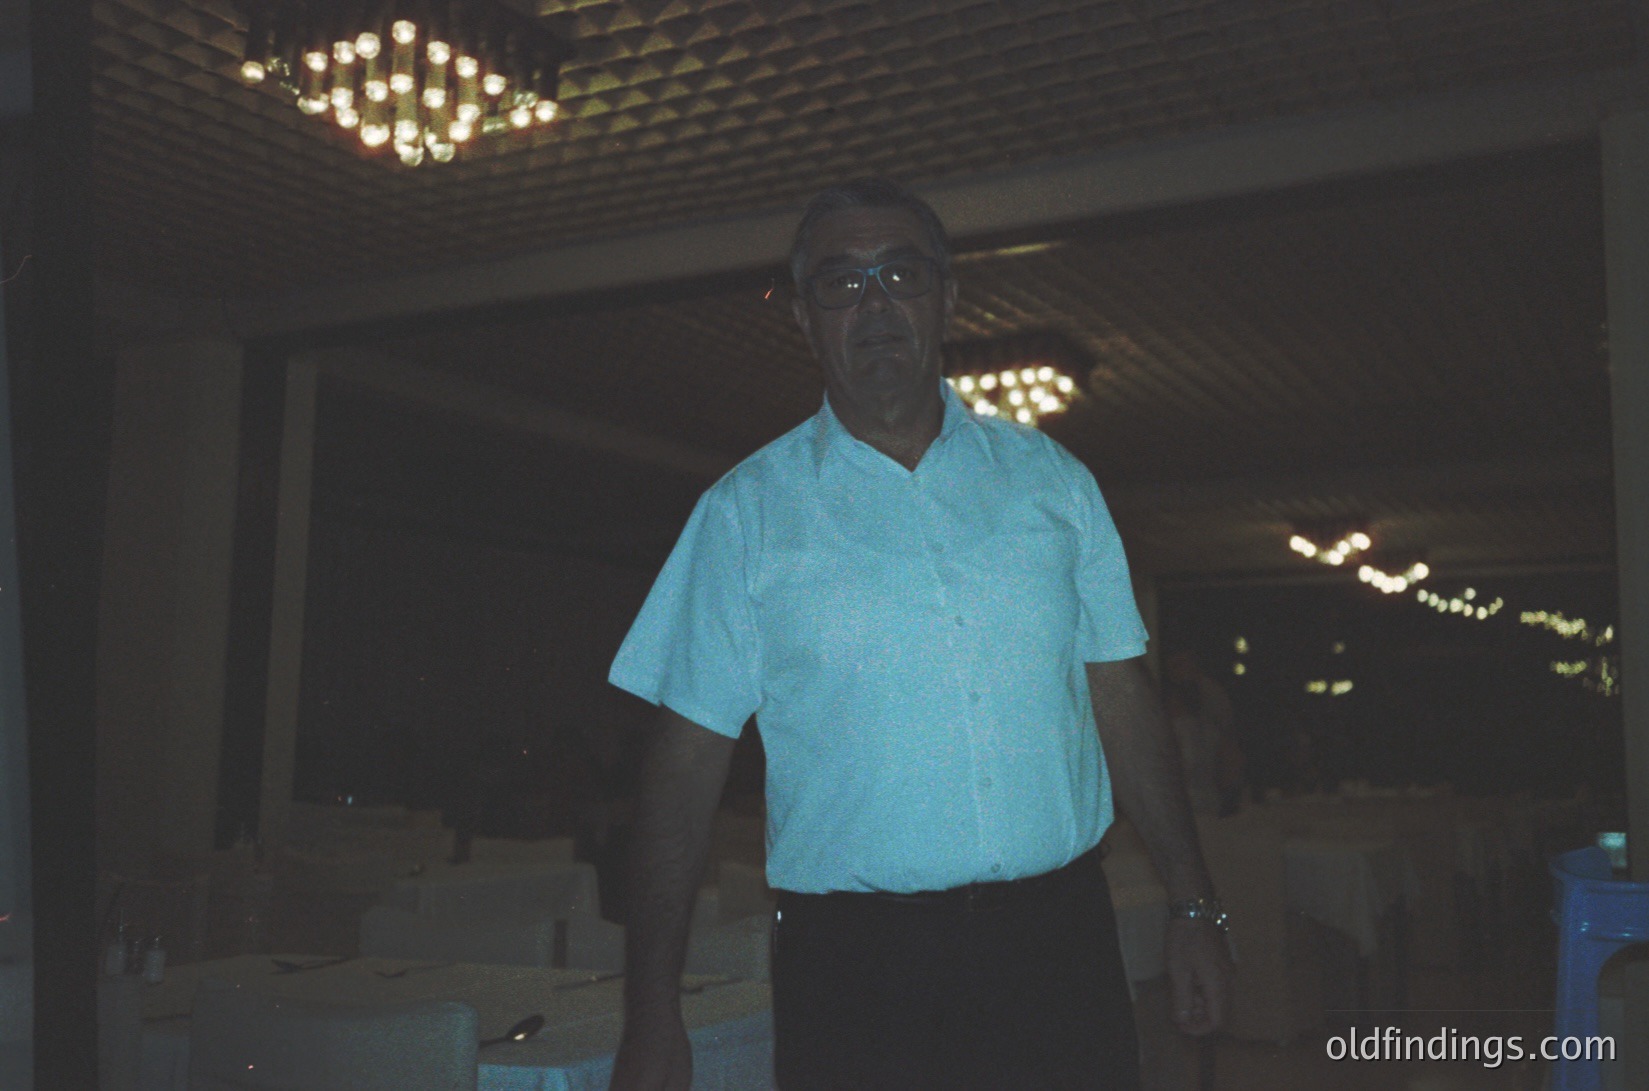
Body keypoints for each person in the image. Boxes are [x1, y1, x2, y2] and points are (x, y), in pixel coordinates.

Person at [606, 179, 1232, 1090]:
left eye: (899, 273)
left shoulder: (1054, 484)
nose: (873, 305)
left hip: (1058, 946)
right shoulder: (743, 517)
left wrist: (1193, 900)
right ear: (804, 319)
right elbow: (682, 767)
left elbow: (1121, 698)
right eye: (840, 282)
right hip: (855, 971)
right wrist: (651, 1013)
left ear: (947, 296)